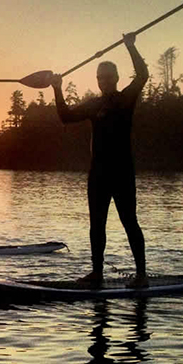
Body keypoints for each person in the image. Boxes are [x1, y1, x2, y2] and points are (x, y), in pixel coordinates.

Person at [51, 33, 148, 288]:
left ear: (116, 79)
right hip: (98, 173)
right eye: (101, 78)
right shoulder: (94, 105)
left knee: (129, 222)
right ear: (97, 81)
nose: (104, 81)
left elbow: (143, 76)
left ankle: (142, 275)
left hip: (122, 172)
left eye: (108, 77)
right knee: (97, 225)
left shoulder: (125, 99)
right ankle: (96, 273)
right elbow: (65, 117)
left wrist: (131, 47)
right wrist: (57, 88)